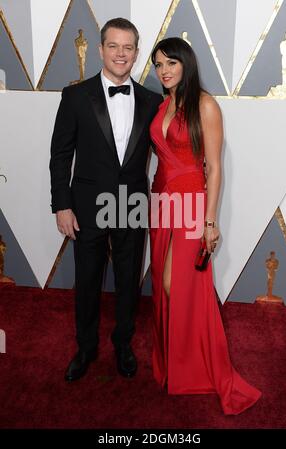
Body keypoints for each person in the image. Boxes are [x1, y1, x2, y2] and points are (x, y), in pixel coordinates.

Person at [149, 37, 261, 415]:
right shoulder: (165, 103)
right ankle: (175, 365)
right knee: (165, 288)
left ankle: (195, 366)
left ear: (186, 64)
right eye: (158, 65)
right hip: (161, 204)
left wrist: (209, 222)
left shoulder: (205, 104)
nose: (164, 71)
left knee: (175, 283)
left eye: (170, 64)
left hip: (191, 206)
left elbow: (214, 168)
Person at [50, 18, 162, 382]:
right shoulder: (75, 96)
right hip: (85, 205)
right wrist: (61, 205)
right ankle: (85, 348)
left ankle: (123, 345)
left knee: (129, 280)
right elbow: (60, 155)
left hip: (131, 204)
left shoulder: (152, 101)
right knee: (87, 281)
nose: (120, 53)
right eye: (113, 46)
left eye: (128, 47)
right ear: (100, 50)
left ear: (136, 53)